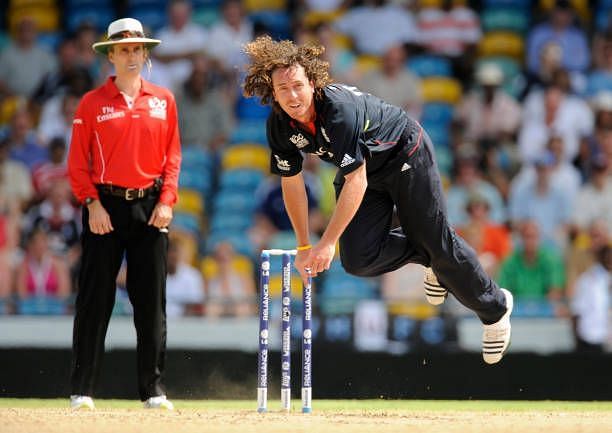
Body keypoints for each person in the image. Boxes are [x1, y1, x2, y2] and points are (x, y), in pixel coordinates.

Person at [242, 36, 513, 364]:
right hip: (364, 168)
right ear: (273, 93)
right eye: (283, 89)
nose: (292, 96)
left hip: (405, 153)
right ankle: (430, 258)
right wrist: (303, 246)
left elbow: (355, 179)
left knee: (438, 243)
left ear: (312, 83)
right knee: (358, 260)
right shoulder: (279, 125)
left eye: (298, 85)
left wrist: (326, 243)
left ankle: (496, 308)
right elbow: (292, 184)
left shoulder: (337, 111)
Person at [67, 18, 181, 410]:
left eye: (137, 48)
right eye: (124, 49)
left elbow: (173, 157)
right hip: (105, 207)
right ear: (110, 55)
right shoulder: (91, 103)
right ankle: (82, 390)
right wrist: (92, 203)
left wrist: (167, 200)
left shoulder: (164, 100)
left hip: (151, 208)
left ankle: (153, 390)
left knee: (151, 303)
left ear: (144, 53)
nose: (131, 55)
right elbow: (77, 162)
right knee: (94, 300)